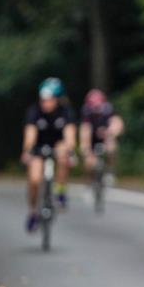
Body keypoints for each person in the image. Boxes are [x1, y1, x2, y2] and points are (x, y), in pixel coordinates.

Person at [21, 78, 76, 232]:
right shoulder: (34, 111)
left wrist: (69, 149)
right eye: (43, 100)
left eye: (50, 99)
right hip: (39, 147)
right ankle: (33, 212)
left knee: (64, 154)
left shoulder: (65, 111)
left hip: (57, 145)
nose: (46, 103)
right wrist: (27, 151)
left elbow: (70, 135)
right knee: (34, 179)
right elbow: (30, 135)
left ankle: (60, 190)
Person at [79, 89, 124, 186]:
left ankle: (110, 171)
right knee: (88, 161)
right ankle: (89, 182)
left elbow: (117, 124)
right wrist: (86, 149)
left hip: (105, 137)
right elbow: (85, 131)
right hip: (91, 138)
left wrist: (110, 132)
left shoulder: (108, 110)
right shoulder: (86, 112)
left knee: (112, 145)